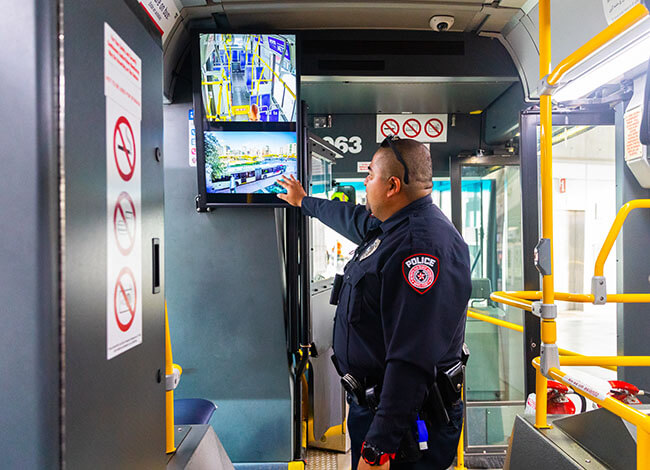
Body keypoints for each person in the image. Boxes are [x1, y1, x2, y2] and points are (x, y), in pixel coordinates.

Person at [277, 137, 472, 470]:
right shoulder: (391, 228)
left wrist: (379, 447)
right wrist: (304, 201)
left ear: (392, 185)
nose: (364, 184)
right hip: (379, 409)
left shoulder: (420, 247)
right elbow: (350, 218)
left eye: (369, 176)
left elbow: (412, 359)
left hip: (406, 425)